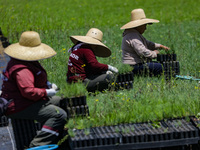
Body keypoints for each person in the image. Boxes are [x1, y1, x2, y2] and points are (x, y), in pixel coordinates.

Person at [0, 31, 67, 147]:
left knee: (61, 100)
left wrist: (47, 85)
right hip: (19, 106)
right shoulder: (22, 69)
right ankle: (37, 145)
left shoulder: (28, 62)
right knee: (58, 114)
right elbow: (28, 91)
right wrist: (46, 92)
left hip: (26, 101)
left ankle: (58, 133)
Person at [121, 8, 170, 77]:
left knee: (156, 65)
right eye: (144, 26)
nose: (145, 28)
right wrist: (155, 53)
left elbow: (148, 43)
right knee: (161, 67)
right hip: (134, 66)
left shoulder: (134, 34)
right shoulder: (133, 37)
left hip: (135, 65)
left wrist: (160, 46)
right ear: (139, 26)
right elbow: (143, 52)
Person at [66, 28, 118, 92]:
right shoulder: (86, 50)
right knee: (110, 77)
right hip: (81, 82)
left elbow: (89, 68)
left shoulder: (77, 48)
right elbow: (94, 65)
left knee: (102, 75)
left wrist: (102, 71)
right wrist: (108, 67)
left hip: (71, 81)